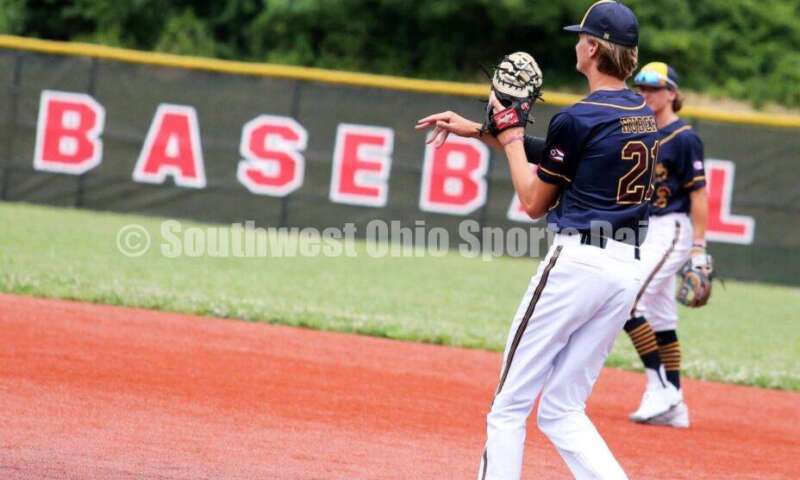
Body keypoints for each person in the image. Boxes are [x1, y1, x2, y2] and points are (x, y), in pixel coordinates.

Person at [416, 2, 656, 478]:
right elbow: (562, 160)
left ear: (592, 48)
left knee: (509, 404)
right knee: (563, 409)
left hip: (578, 266)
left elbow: (532, 200)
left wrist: (508, 134)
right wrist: (483, 131)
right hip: (625, 272)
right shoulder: (640, 112)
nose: (575, 43)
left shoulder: (578, 117)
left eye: (580, 37)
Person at [624, 61, 709, 428]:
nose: (645, 94)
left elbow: (700, 195)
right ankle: (674, 403)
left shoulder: (685, 137)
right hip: (647, 229)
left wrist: (699, 247)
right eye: (641, 88)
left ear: (672, 93)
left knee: (627, 301)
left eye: (653, 88)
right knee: (660, 316)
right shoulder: (642, 133)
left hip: (672, 228)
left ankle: (661, 387)